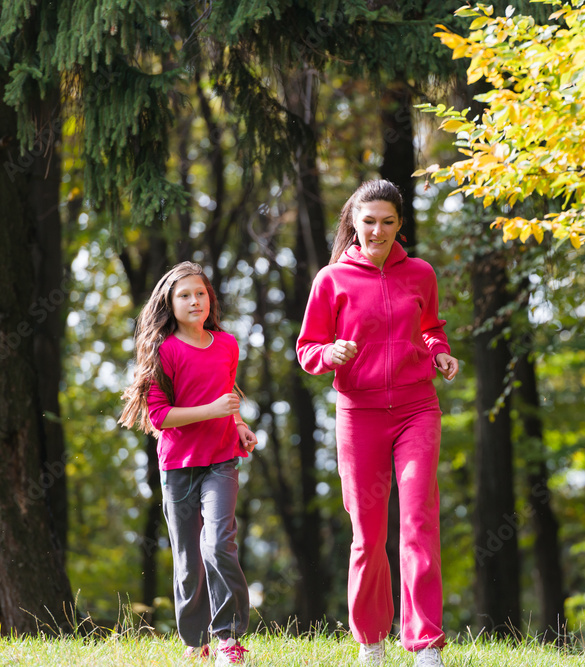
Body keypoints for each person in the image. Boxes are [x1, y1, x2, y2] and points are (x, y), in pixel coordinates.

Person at [297, 180, 459, 667]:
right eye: (369, 221)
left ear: (399, 225)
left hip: (416, 409)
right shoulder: (331, 280)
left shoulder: (420, 274)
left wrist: (441, 353)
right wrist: (331, 353)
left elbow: (430, 327)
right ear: (353, 221)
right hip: (358, 414)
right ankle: (371, 641)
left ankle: (425, 644)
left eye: (388, 222)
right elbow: (307, 348)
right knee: (368, 534)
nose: (378, 230)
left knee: (418, 522)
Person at [119, 261, 257, 666]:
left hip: (221, 459)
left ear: (210, 298)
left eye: (200, 293)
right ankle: (196, 642)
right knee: (187, 561)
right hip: (178, 465)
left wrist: (238, 423)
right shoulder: (165, 350)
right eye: (185, 295)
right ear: (169, 303)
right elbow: (159, 417)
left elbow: (225, 393)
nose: (195, 301)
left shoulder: (227, 343)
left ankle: (228, 637)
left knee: (218, 543)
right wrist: (212, 409)